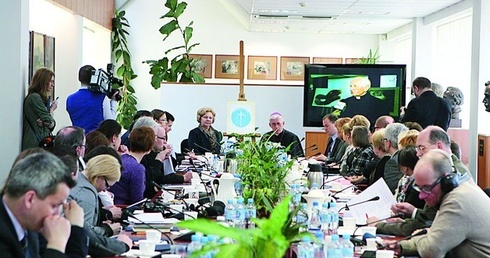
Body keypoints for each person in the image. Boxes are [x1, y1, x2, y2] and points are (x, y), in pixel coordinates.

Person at [372, 126, 473, 237]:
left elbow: (425, 223)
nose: (418, 154)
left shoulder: (453, 175)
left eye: (421, 148)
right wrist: (413, 213)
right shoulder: (447, 168)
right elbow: (430, 216)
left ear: (438, 146)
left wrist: (379, 226)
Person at [387, 149, 490, 257]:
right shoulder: (457, 191)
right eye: (419, 188)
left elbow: (431, 251)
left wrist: (420, 238)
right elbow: (434, 238)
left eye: (426, 188)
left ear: (446, 181)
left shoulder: (456, 203)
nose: (422, 195)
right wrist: (403, 246)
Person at [0, 152, 88, 257]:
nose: (57, 215)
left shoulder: (30, 226)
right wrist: (56, 244)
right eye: (54, 206)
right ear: (30, 199)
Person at [69, 155, 131, 255]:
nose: (105, 190)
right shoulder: (87, 194)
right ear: (100, 176)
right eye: (107, 185)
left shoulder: (79, 179)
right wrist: (107, 230)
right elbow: (85, 235)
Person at [141, 125, 192, 199]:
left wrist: (168, 156)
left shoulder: (155, 153)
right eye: (163, 138)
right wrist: (183, 178)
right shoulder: (146, 156)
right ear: (153, 138)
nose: (165, 142)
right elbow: (157, 178)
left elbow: (171, 171)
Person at [66, 65, 120, 134]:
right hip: (97, 140)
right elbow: (110, 121)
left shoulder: (70, 99)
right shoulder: (102, 97)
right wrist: (114, 101)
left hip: (78, 139)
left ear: (79, 79)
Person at [109, 127, 155, 205]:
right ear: (149, 149)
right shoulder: (137, 168)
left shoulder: (120, 159)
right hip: (123, 209)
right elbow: (137, 200)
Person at [22, 67, 58, 150]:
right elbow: (50, 122)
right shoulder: (35, 98)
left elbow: (49, 124)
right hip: (35, 144)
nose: (53, 85)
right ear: (43, 81)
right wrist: (51, 110)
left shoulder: (36, 98)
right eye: (51, 81)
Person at [383, 123, 408, 193]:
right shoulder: (407, 156)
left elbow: (391, 188)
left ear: (388, 143)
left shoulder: (393, 162)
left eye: (384, 139)